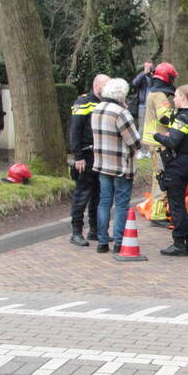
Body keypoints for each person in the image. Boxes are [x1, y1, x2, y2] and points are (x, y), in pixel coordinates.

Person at [153, 85, 188, 256]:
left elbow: (173, 142)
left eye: (175, 96)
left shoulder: (182, 119)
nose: (173, 99)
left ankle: (179, 243)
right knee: (179, 203)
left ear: (182, 98)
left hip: (178, 164)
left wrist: (157, 136)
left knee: (176, 206)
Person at [91, 77, 141, 254]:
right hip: (120, 165)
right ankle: (119, 241)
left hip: (102, 163)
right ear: (122, 95)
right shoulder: (120, 112)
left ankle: (102, 241)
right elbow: (134, 141)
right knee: (121, 203)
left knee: (104, 202)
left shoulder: (97, 109)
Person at [68, 74, 109, 246]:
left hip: (101, 156)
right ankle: (76, 232)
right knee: (82, 195)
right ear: (96, 85)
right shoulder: (83, 102)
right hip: (86, 155)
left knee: (98, 195)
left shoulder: (107, 103)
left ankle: (95, 230)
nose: (107, 89)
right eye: (105, 85)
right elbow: (75, 130)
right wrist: (78, 157)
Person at [142, 62, 178, 226]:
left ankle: (158, 212)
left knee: (158, 175)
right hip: (160, 143)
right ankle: (158, 215)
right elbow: (164, 118)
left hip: (153, 141)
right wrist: (179, 123)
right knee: (161, 177)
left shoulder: (153, 93)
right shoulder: (160, 96)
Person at [131, 61, 153, 135]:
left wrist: (152, 75)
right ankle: (140, 145)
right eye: (147, 67)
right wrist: (144, 73)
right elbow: (134, 83)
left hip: (152, 105)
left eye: (150, 67)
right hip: (143, 105)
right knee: (142, 127)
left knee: (151, 125)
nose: (148, 69)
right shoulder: (142, 75)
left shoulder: (154, 76)